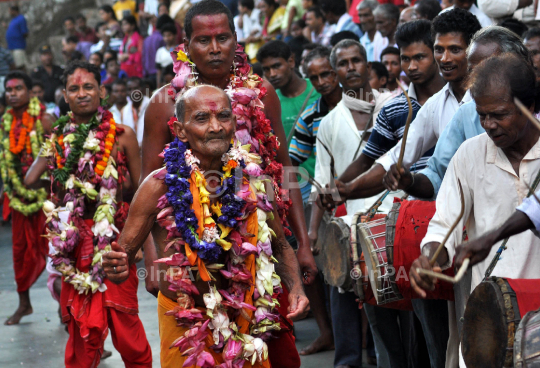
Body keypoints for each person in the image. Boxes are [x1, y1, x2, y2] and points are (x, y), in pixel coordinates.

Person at [140, 3, 317, 367]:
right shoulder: (163, 103)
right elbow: (147, 186)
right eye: (203, 40)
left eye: (223, 37)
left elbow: (286, 172)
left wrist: (302, 244)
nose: (215, 47)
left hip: (259, 248)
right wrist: (150, 261)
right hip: (191, 256)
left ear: (237, 41)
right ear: (186, 45)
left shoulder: (261, 92)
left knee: (274, 351)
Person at [409, 54, 540, 368]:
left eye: (500, 114)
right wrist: (431, 256)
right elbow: (444, 225)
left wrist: (488, 239)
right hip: (489, 321)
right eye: (482, 115)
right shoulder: (469, 153)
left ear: (530, 106)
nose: (489, 125)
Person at [24, 61, 152, 367]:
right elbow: (31, 179)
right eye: (74, 89)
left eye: (88, 87)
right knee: (83, 333)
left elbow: (143, 193)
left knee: (127, 330)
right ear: (65, 96)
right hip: (75, 243)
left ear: (102, 91)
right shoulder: (56, 139)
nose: (82, 94)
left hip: (117, 242)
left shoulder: (123, 135)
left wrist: (138, 245)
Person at [333, 8, 481, 208]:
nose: (445, 59)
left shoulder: (493, 96)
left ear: (474, 50)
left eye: (455, 50)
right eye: (439, 49)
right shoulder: (434, 106)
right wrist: (348, 189)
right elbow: (396, 159)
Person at [311, 39, 395, 368]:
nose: (351, 67)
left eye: (356, 60)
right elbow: (322, 181)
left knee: (389, 296)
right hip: (349, 222)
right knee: (342, 288)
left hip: (393, 217)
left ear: (367, 63)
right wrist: (314, 231)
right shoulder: (330, 122)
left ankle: (381, 357)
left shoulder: (393, 105)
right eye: (343, 63)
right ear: (336, 72)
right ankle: (347, 362)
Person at [383, 27, 532, 202]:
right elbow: (437, 175)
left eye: (488, 70)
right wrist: (410, 182)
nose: (478, 81)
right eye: (472, 72)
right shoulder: (466, 114)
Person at [289, 46, 341, 356]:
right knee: (323, 267)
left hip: (364, 197)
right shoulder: (311, 116)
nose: (321, 82)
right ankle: (330, 334)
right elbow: (292, 160)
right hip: (325, 200)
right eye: (315, 77)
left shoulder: (366, 106)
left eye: (326, 74)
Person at [1, 71, 53, 325]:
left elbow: (56, 154)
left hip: (46, 198)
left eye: (18, 89)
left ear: (30, 91)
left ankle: (68, 314)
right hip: (18, 198)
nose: (12, 94)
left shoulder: (44, 119)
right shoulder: (5, 122)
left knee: (57, 252)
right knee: (20, 252)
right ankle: (25, 304)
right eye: (8, 90)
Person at [257, 40, 321, 167]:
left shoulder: (319, 90)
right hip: (292, 181)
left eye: (276, 66)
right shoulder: (269, 102)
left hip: (324, 178)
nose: (272, 74)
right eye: (267, 69)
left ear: (291, 61)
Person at [142, 16, 165, 81]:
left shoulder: (146, 39)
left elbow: (143, 58)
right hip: (160, 74)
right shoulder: (161, 39)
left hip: (148, 73)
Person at [6, 5, 29, 70]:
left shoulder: (21, 18)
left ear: (14, 11)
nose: (9, 13)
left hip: (18, 46)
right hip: (12, 47)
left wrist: (18, 39)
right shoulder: (13, 20)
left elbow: (24, 32)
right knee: (14, 66)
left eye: (10, 11)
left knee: (20, 65)